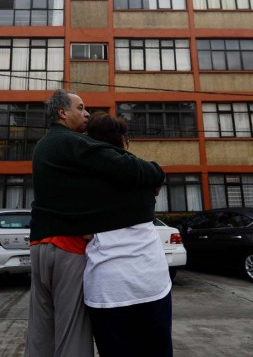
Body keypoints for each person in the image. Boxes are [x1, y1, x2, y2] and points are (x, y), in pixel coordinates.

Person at [26, 90, 165, 357]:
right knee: (71, 331)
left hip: (38, 246)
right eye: (80, 107)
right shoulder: (71, 142)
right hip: (66, 247)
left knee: (40, 329)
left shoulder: (43, 146)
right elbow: (125, 165)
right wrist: (158, 172)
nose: (87, 113)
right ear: (62, 113)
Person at [84, 112, 173, 357]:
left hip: (106, 286)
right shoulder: (143, 173)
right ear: (124, 140)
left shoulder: (80, 180)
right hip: (151, 280)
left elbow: (81, 232)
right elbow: (157, 177)